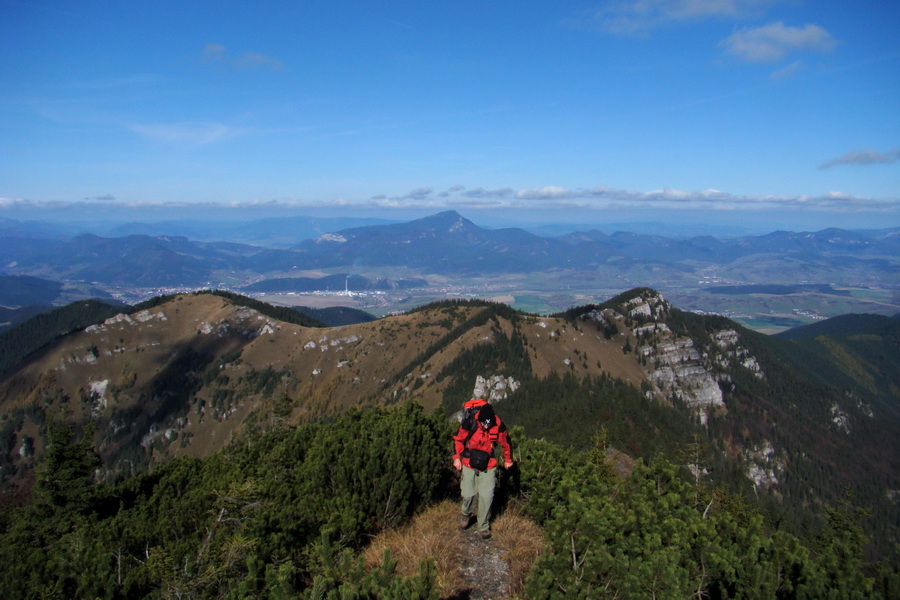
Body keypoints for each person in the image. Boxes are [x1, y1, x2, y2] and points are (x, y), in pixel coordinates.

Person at [452, 401, 513, 539]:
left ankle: (483, 526)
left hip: (488, 465)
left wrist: (508, 460)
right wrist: (456, 458)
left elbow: (506, 443)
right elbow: (458, 439)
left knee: (486, 496)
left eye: (488, 424)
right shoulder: (470, 421)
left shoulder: (497, 425)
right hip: (468, 462)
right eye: (483, 424)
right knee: (468, 494)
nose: (486, 426)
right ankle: (466, 513)